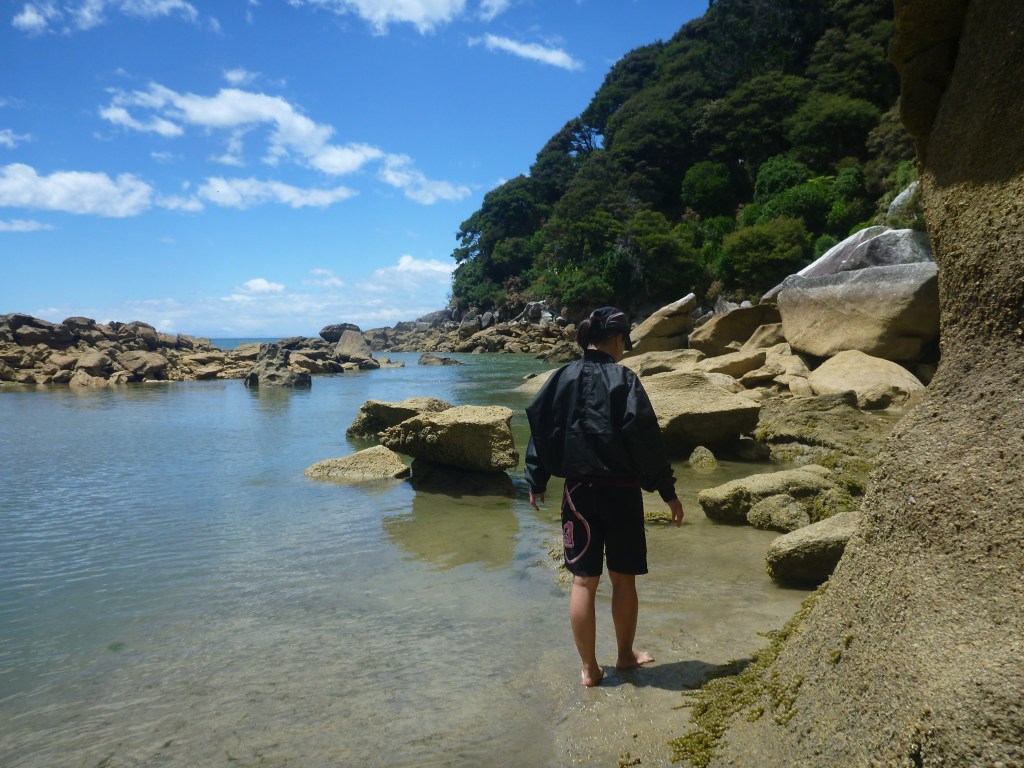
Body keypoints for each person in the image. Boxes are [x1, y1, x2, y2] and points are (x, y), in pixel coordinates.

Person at [525, 306, 684, 687]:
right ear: (617, 340)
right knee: (624, 579)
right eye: (625, 341)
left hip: (579, 493)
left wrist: (536, 478)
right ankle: (625, 656)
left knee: (583, 582)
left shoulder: (561, 377)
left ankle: (589, 669)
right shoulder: (624, 379)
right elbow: (645, 438)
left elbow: (543, 429)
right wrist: (667, 491)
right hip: (622, 492)